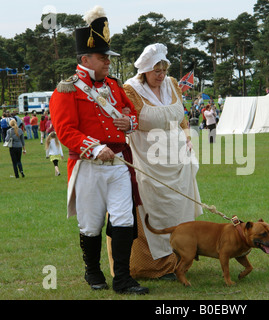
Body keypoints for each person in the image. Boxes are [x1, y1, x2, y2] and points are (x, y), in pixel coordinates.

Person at [49, 5, 148, 295]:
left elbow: (133, 116)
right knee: (91, 224)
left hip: (118, 164)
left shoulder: (115, 87)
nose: (107, 61)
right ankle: (92, 271)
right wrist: (94, 148)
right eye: (102, 57)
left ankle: (123, 279)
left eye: (107, 56)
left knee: (124, 219)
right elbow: (66, 131)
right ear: (85, 58)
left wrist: (127, 122)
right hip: (88, 166)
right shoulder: (66, 90)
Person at [116, 43, 203, 280]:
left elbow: (181, 117)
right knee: (152, 207)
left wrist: (186, 135)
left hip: (177, 158)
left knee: (178, 208)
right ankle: (154, 266)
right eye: (156, 72)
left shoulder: (173, 84)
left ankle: (180, 259)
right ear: (144, 70)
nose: (161, 76)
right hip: (147, 157)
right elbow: (125, 120)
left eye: (164, 71)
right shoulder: (130, 90)